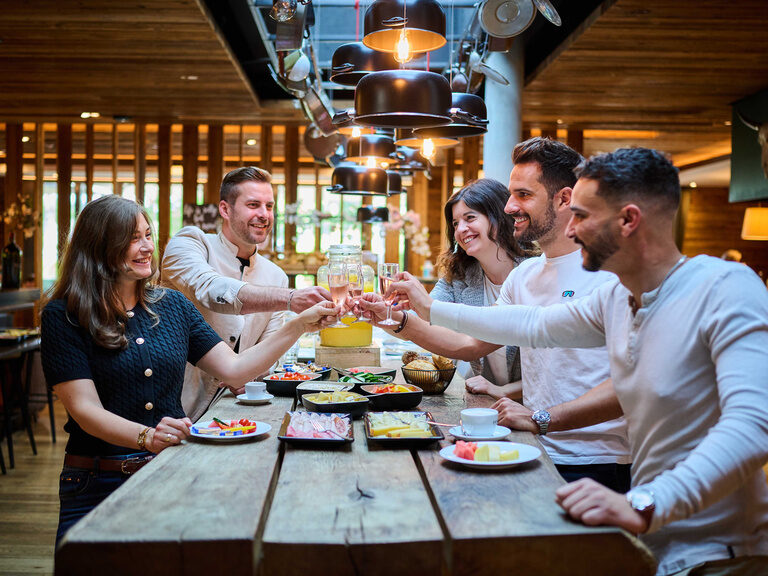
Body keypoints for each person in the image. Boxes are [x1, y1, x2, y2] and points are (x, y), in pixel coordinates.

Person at [389, 147, 768, 576]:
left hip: (721, 551)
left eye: (583, 216)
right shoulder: (616, 297)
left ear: (628, 221)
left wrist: (644, 503)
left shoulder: (724, 287)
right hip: (656, 544)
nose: (572, 228)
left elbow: (753, 425)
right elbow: (533, 323)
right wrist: (428, 309)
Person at [41, 195, 337, 544]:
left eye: (148, 235)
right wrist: (146, 436)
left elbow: (234, 370)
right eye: (132, 238)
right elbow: (85, 409)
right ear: (99, 246)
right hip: (96, 480)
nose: (147, 247)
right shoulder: (64, 316)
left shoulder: (173, 305)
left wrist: (299, 325)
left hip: (170, 472)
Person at [362, 138, 631, 492]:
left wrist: (541, 418)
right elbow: (472, 343)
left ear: (564, 199)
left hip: (595, 462)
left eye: (523, 195)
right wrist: (399, 320)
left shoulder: (614, 275)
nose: (508, 206)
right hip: (528, 445)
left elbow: (628, 385)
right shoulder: (526, 275)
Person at [162, 166, 331, 421]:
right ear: (225, 209)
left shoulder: (276, 276)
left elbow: (272, 349)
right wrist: (290, 299)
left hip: (238, 413)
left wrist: (255, 374)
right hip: (177, 410)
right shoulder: (190, 243)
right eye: (253, 205)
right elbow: (212, 290)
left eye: (269, 206)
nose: (264, 214)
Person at [429, 178, 528, 395]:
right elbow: (424, 314)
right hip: (486, 404)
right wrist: (386, 311)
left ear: (498, 217)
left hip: (534, 407)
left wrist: (502, 391)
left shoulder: (533, 273)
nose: (461, 229)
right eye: (455, 223)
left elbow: (555, 367)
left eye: (470, 218)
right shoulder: (460, 274)